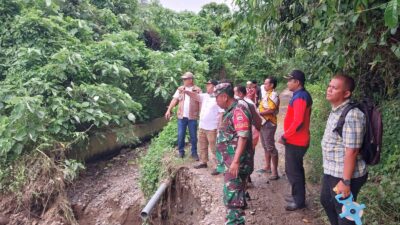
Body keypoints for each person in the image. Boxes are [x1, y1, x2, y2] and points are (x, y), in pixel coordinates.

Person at [320, 74, 368, 225]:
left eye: (334, 88)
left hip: (344, 175)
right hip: (331, 170)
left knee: (346, 215)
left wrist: (346, 182)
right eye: (329, 86)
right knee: (326, 201)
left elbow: (352, 151)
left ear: (346, 93)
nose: (329, 89)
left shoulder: (352, 115)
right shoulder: (336, 110)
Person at [214, 82, 253, 225]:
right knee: (235, 197)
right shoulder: (232, 109)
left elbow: (243, 136)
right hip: (232, 163)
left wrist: (235, 161)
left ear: (224, 97)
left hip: (236, 164)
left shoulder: (238, 110)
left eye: (216, 98)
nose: (216, 101)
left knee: (233, 199)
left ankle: (234, 222)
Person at [278, 69, 313, 211]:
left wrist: (285, 136)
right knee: (293, 169)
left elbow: (298, 121)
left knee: (294, 171)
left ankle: (299, 202)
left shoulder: (300, 97)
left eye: (289, 80)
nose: (287, 83)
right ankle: (296, 196)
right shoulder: (299, 95)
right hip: (295, 140)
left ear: (297, 82)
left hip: (297, 141)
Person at [184, 79, 224, 175]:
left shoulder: (218, 98)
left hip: (212, 127)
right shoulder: (206, 96)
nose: (207, 86)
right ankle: (203, 162)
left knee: (214, 148)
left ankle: (218, 166)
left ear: (214, 87)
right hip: (202, 126)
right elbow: (196, 96)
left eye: (209, 85)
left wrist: (219, 127)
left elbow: (221, 113)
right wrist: (186, 91)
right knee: (202, 145)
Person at [165, 72, 202, 160]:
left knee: (193, 136)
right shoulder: (180, 89)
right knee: (180, 135)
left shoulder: (197, 90)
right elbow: (175, 99)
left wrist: (201, 114)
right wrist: (168, 109)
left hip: (192, 117)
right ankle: (181, 152)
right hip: (181, 117)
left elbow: (201, 102)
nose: (184, 80)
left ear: (191, 80)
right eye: (183, 79)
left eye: (185, 79)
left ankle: (194, 153)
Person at [258, 77, 280, 181]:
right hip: (263, 123)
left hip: (269, 123)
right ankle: (267, 167)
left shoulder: (273, 95)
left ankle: (275, 172)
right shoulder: (267, 94)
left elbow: (272, 109)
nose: (264, 85)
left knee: (270, 147)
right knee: (265, 146)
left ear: (271, 85)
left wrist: (259, 113)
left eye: (266, 83)